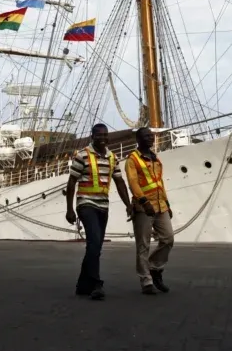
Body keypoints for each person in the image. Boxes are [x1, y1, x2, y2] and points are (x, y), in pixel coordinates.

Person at [66, 123, 131, 300]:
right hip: (85, 204)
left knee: (96, 247)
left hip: (103, 205)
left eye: (105, 135)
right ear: (92, 136)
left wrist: (128, 204)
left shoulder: (112, 158)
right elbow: (72, 182)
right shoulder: (82, 155)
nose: (102, 138)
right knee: (94, 243)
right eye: (99, 135)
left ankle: (82, 285)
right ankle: (96, 284)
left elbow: (119, 182)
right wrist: (69, 209)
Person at [125, 127, 175, 295]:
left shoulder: (156, 158)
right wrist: (144, 201)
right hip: (143, 207)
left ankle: (154, 267)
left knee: (168, 238)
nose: (149, 138)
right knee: (143, 245)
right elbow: (133, 182)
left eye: (150, 136)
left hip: (161, 205)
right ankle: (146, 281)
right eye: (145, 136)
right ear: (138, 139)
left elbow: (159, 183)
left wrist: (167, 203)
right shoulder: (132, 159)